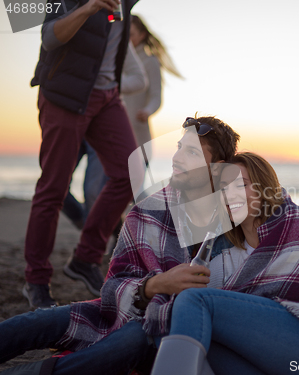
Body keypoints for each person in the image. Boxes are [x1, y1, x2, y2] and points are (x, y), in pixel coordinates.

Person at [0, 116, 240, 374]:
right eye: (179, 147)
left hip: (168, 331)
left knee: (132, 341)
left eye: (191, 151)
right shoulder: (148, 211)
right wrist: (154, 286)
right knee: (40, 320)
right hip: (123, 313)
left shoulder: (238, 221)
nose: (177, 158)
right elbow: (111, 289)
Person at [150, 152, 299, 375]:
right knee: (171, 324)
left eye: (242, 184)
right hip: (263, 355)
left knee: (193, 300)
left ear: (263, 187)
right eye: (224, 189)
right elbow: (224, 307)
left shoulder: (294, 224)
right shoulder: (224, 251)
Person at [24, 0, 141, 308]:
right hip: (64, 96)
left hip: (107, 98)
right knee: (53, 189)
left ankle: (86, 258)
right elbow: (49, 37)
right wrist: (88, 8)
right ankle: (36, 280)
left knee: (131, 172)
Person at [61, 41, 148, 231]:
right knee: (56, 187)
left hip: (100, 124)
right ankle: (88, 228)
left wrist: (104, 81)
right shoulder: (72, 27)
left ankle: (99, 240)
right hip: (72, 120)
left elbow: (142, 82)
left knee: (94, 192)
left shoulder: (117, 38)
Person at [125, 14, 183, 155]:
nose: (127, 39)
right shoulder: (116, 57)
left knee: (135, 172)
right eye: (125, 34)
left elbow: (156, 97)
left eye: (131, 35)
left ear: (142, 35)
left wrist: (147, 111)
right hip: (112, 129)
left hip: (137, 131)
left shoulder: (150, 62)